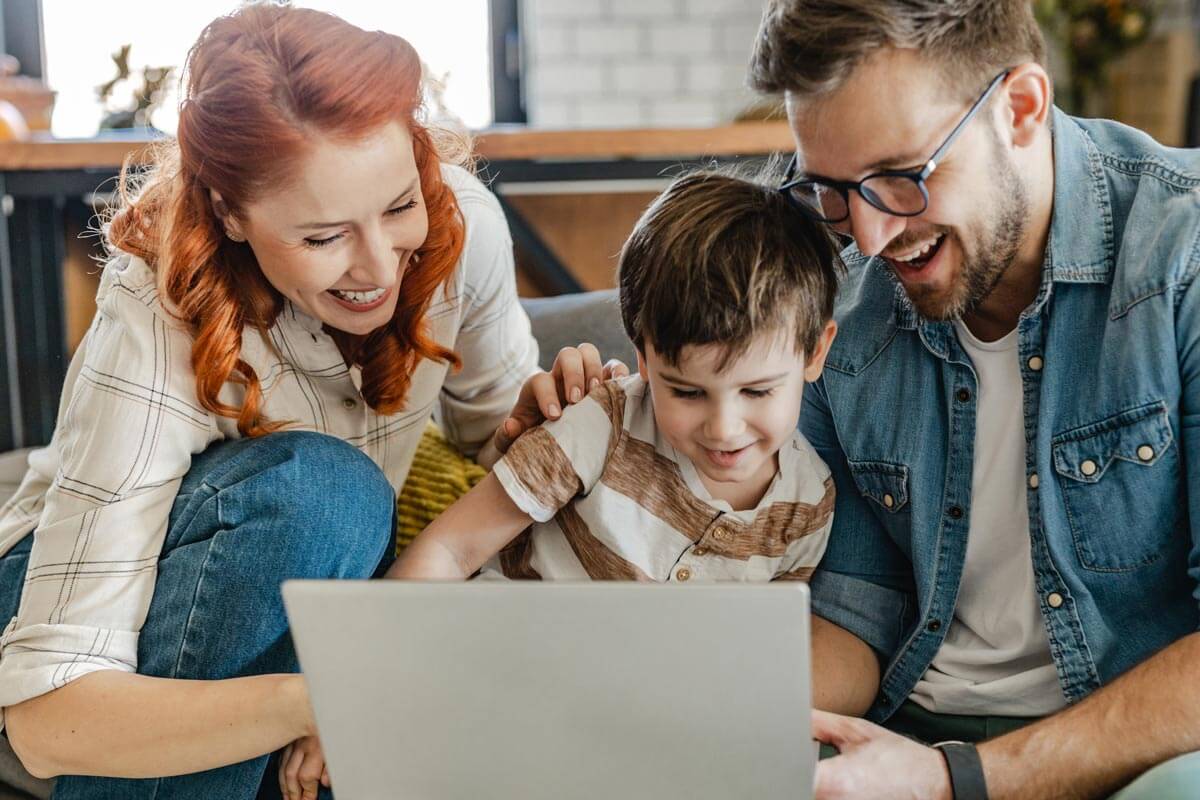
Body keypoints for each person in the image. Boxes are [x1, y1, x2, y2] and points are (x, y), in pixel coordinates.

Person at [0, 6, 611, 798]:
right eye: (322, 237)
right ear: (229, 213)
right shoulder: (157, 315)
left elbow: (485, 421)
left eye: (396, 208)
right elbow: (49, 719)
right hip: (60, 615)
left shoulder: (463, 229)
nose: (379, 269)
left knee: (345, 521)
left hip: (297, 590)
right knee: (327, 494)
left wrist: (527, 427)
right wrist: (314, 699)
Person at [748, 1, 1200, 798]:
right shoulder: (843, 316)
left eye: (899, 178)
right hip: (908, 732)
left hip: (1130, 749)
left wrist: (954, 780)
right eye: (831, 190)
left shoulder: (1179, 256)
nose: (869, 236)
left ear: (1019, 109)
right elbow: (858, 610)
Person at [280, 168, 846, 799]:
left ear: (816, 352)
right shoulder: (601, 423)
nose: (724, 427)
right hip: (497, 686)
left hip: (631, 739)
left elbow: (758, 668)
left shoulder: (807, 504)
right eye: (686, 391)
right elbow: (451, 548)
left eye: (758, 391)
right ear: (643, 356)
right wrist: (345, 699)